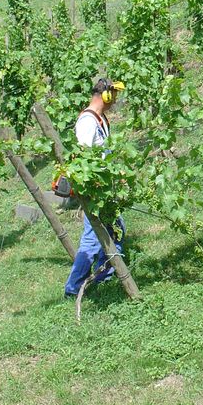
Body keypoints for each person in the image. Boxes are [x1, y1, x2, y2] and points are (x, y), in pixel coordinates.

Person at [64, 78, 126, 297]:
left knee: (116, 230)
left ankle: (104, 277)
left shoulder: (100, 120)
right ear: (105, 95)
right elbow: (82, 159)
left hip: (105, 188)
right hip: (95, 190)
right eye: (114, 95)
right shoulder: (87, 122)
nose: (115, 100)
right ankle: (73, 288)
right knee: (93, 239)